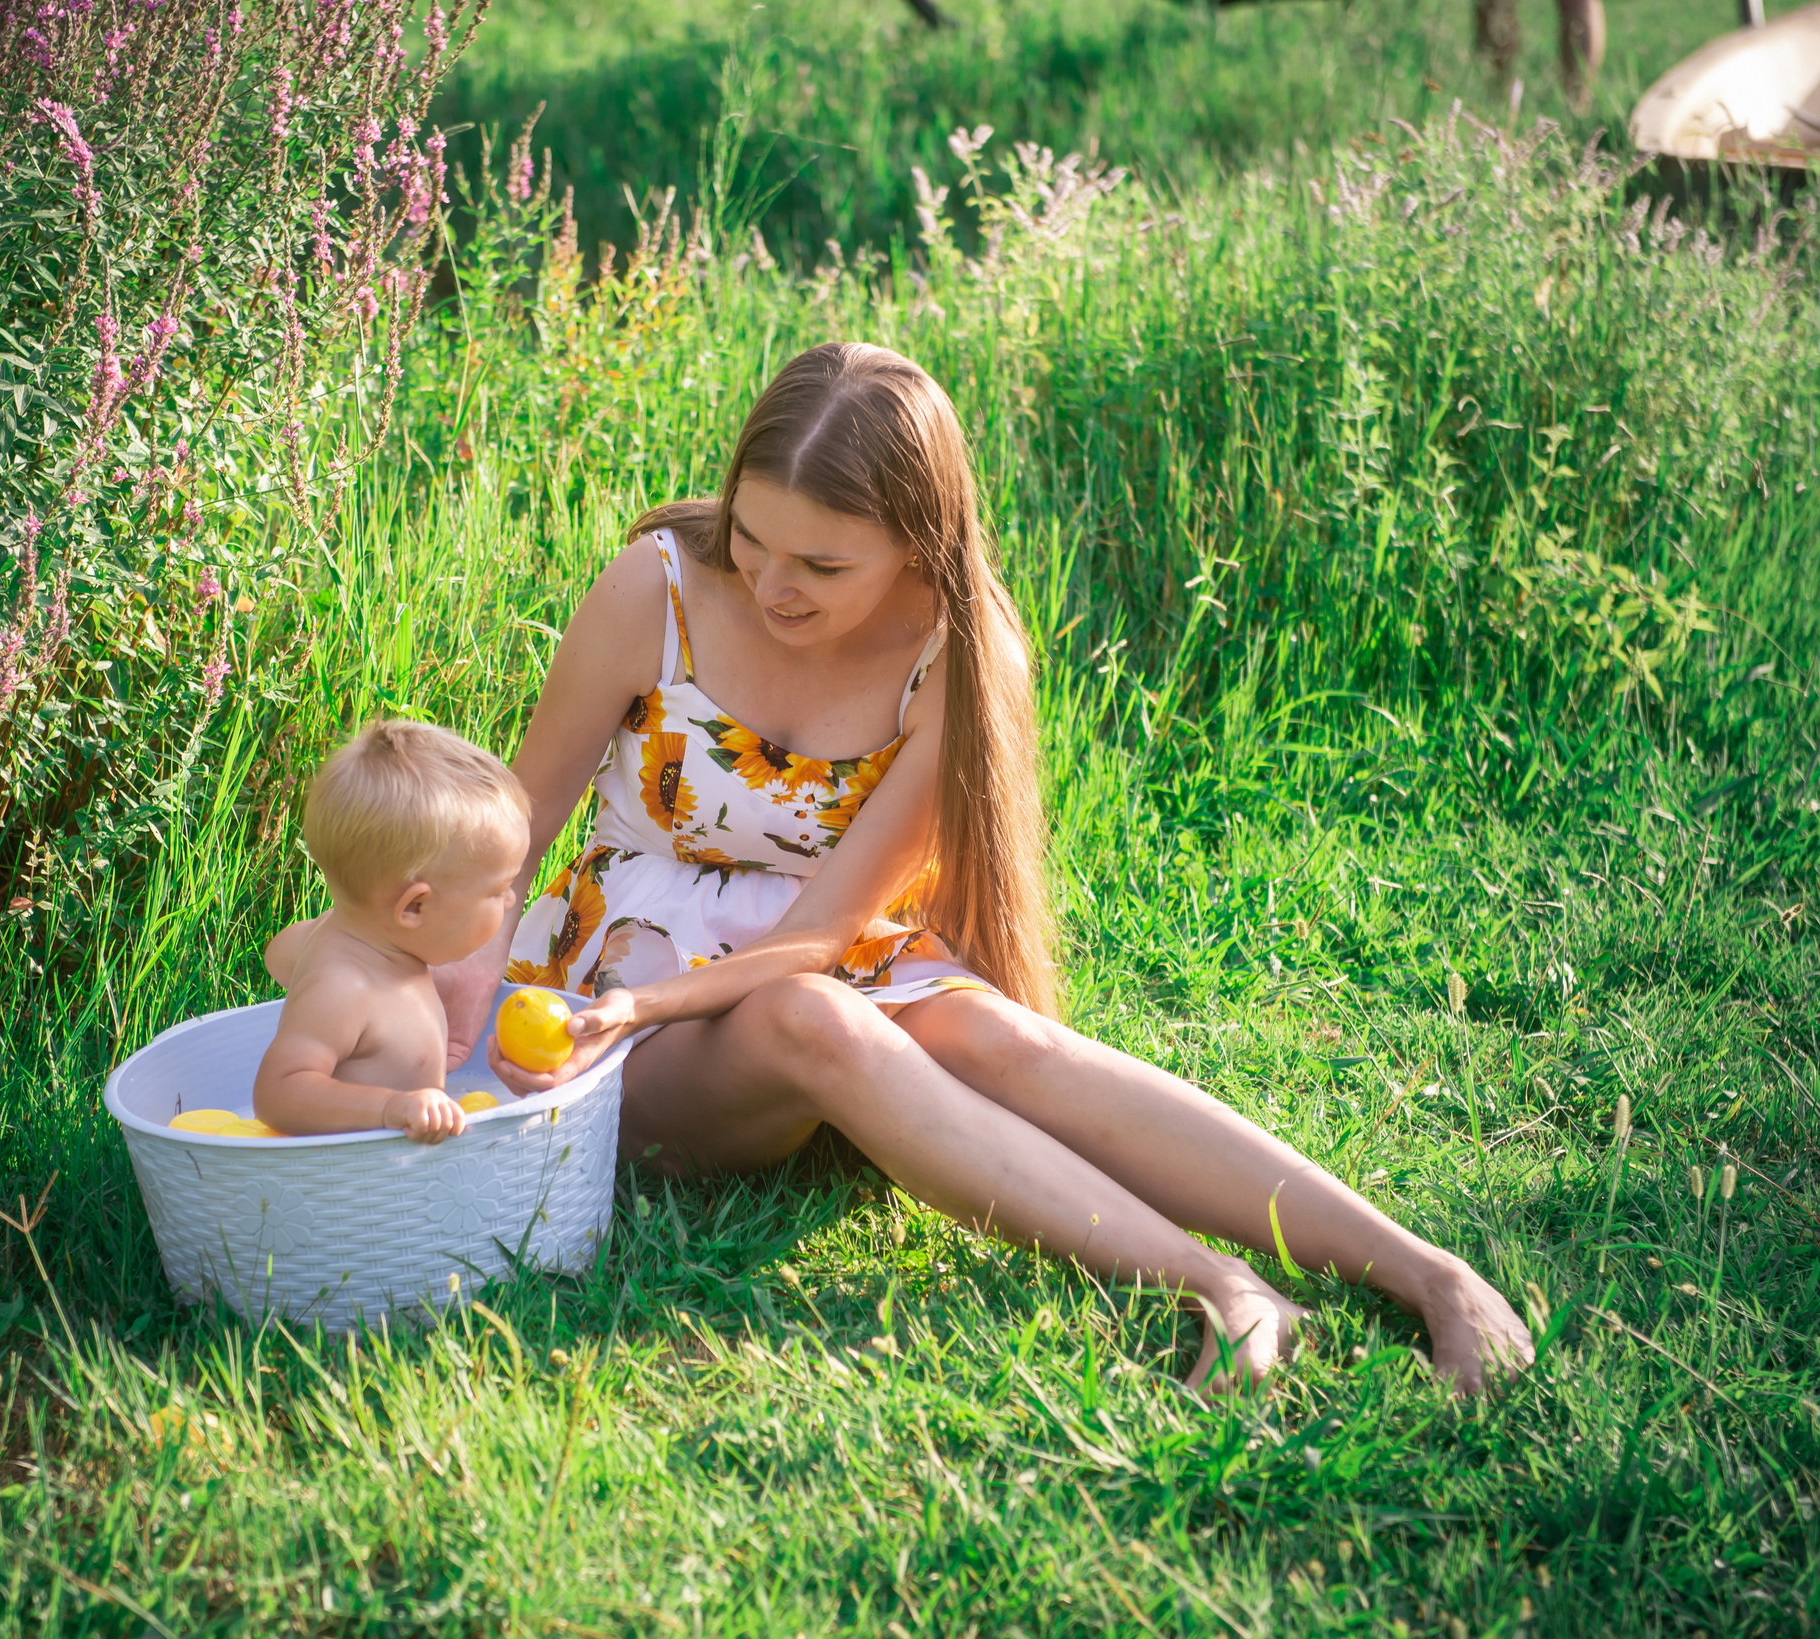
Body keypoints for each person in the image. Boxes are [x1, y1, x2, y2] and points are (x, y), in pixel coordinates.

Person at [435, 342, 1534, 1394]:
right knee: (809, 1019)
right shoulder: (660, 587)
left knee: (995, 1034)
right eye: (755, 537)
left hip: (823, 953)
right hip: (630, 989)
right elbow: (517, 827)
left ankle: (1429, 1272)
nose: (772, 582)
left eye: (822, 563)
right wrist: (456, 1025)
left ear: (917, 542)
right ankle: (1220, 1283)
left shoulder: (956, 652)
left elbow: (820, 937)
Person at [252, 720, 530, 1141]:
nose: (511, 901)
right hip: (360, 1185)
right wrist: (388, 1108)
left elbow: (279, 951)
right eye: (498, 890)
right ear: (414, 907)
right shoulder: (346, 988)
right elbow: (277, 1093)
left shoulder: (360, 939)